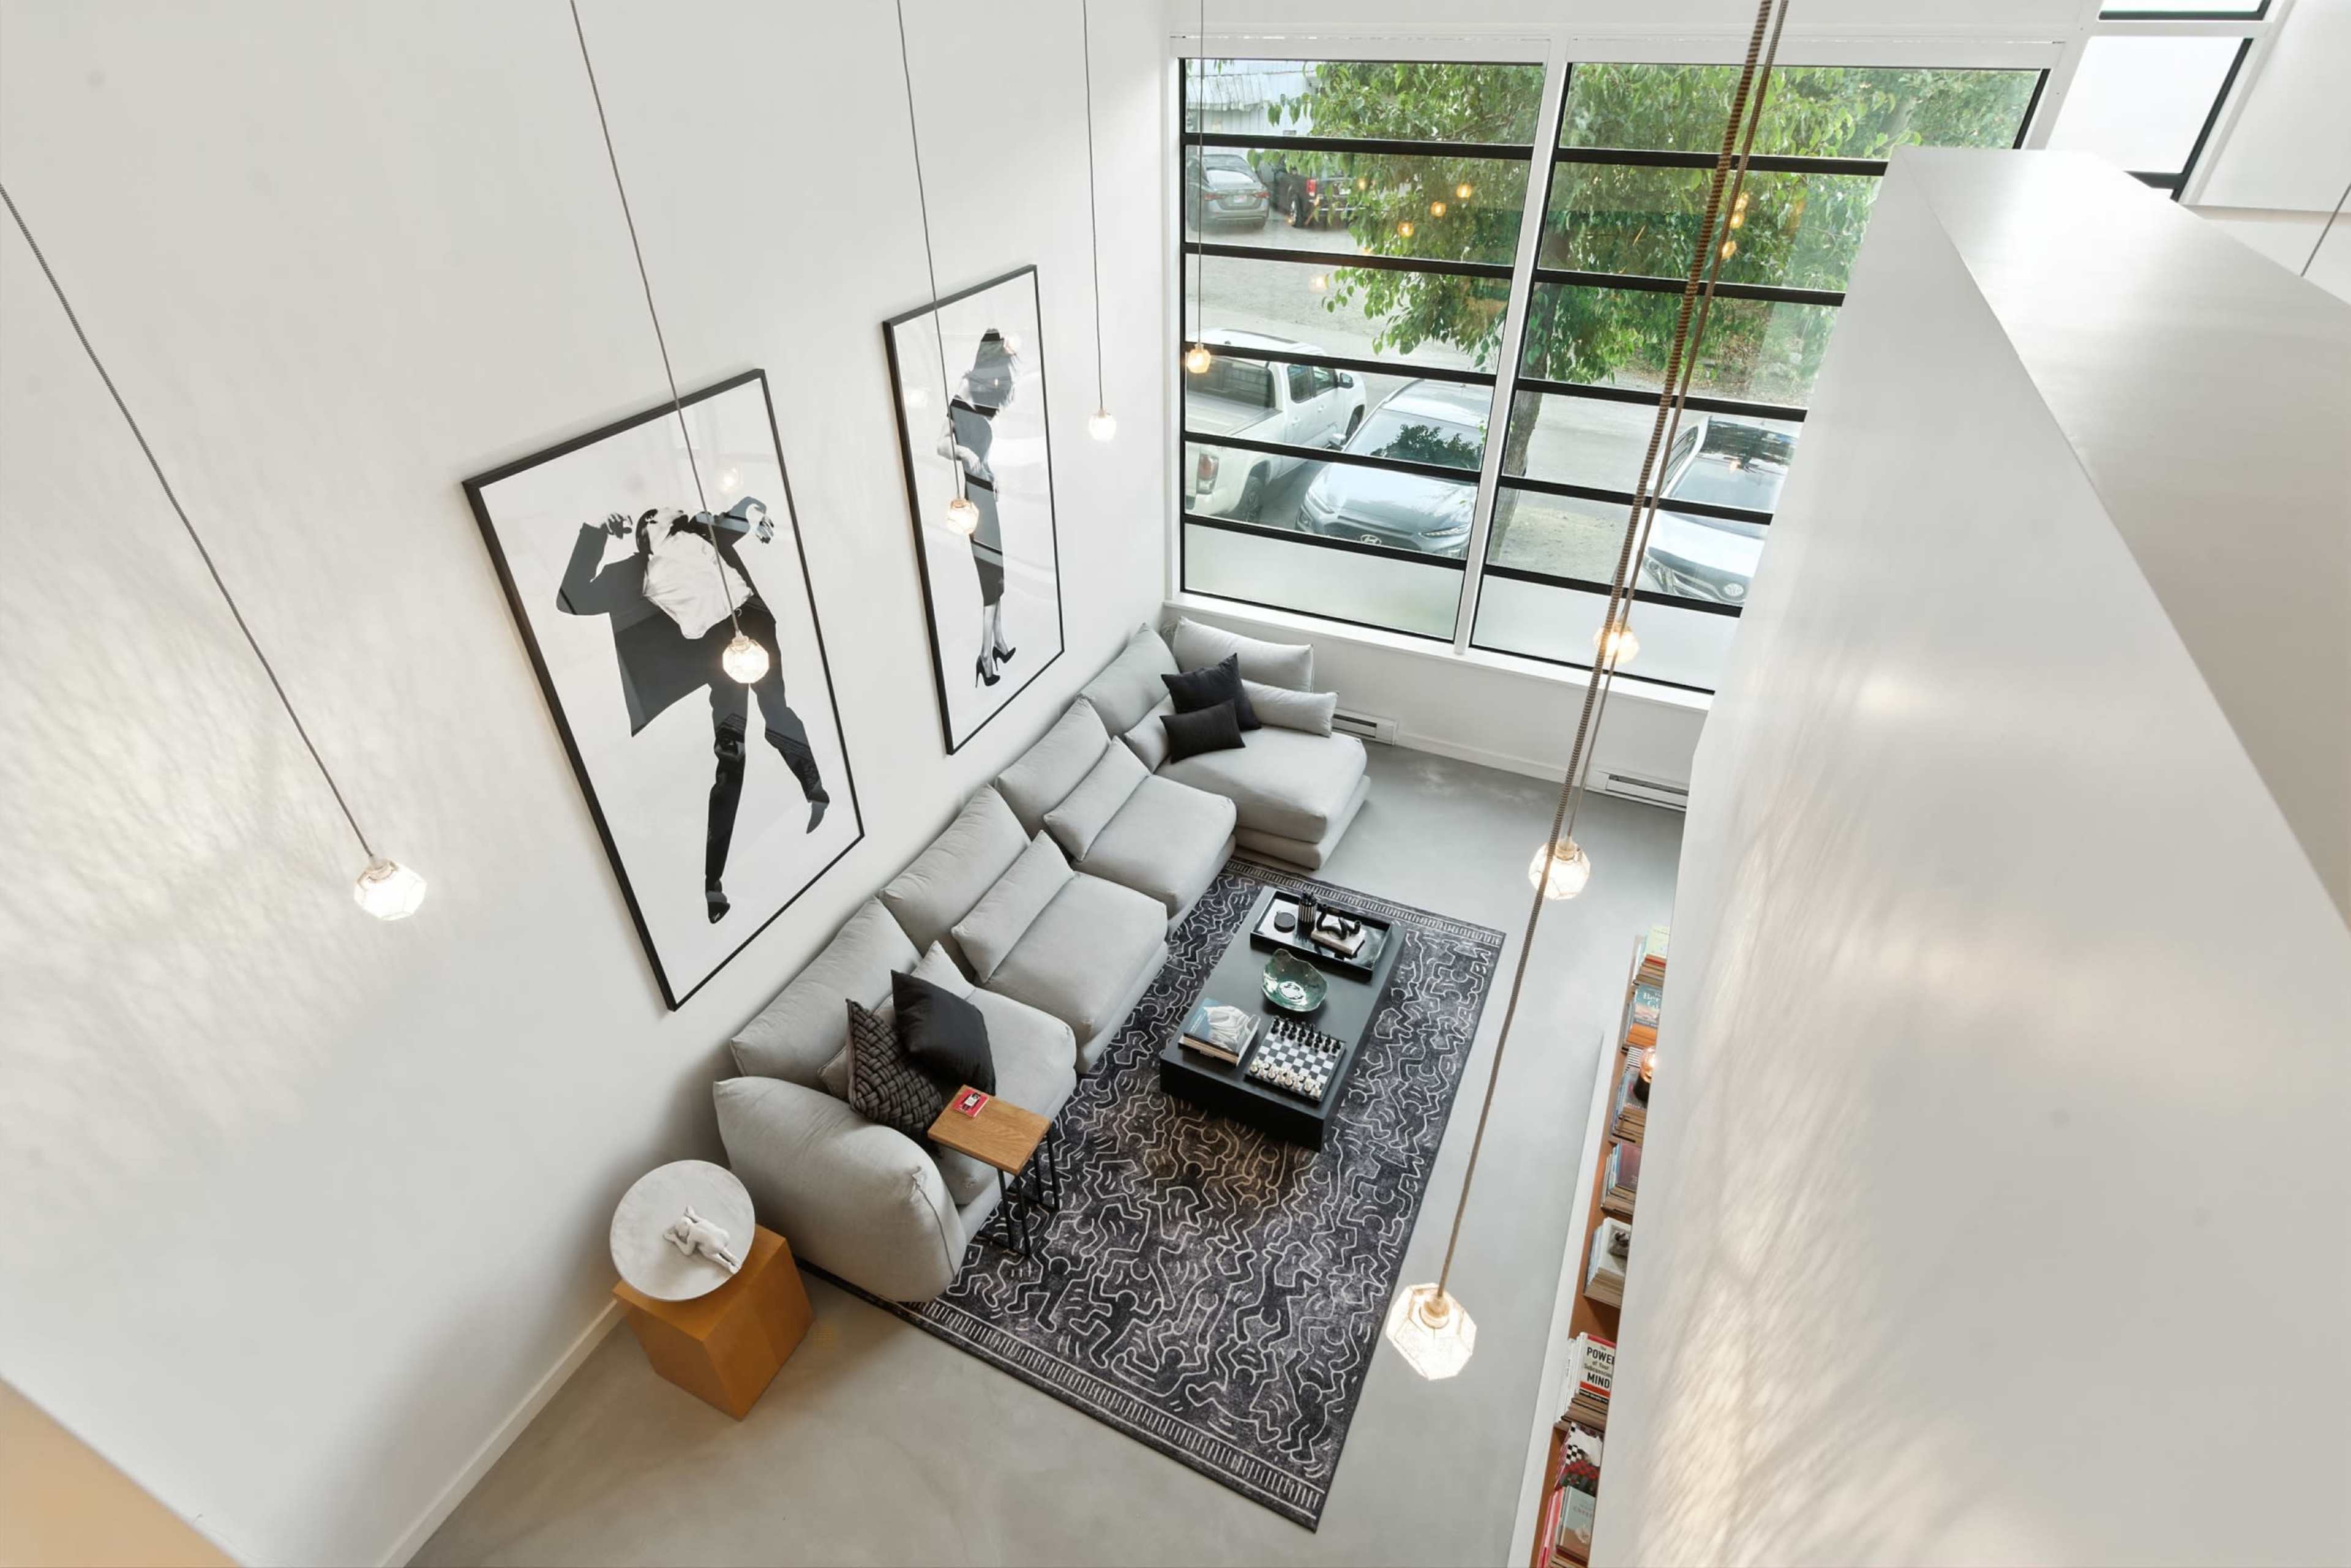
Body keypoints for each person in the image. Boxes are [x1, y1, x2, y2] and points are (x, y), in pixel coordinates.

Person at [557, 497, 827, 925]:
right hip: (716, 653)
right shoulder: (632, 573)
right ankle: (713, 881)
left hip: (751, 624)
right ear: (647, 528)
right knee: (731, 756)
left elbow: (749, 509)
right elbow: (570, 599)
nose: (670, 508)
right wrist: (596, 532)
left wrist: (760, 517)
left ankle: (814, 788)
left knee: (777, 712)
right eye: (659, 511)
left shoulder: (703, 530)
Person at [936, 328, 1020, 686]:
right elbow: (942, 444)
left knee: (998, 572)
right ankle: (985, 656)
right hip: (973, 497)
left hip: (986, 488)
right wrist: (967, 454)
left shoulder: (986, 392)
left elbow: (982, 448)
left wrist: (992, 471)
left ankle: (998, 642)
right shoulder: (965, 389)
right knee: (990, 578)